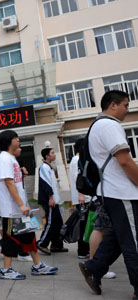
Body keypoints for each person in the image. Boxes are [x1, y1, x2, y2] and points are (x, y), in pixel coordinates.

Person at [78, 91, 138, 299]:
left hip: (111, 192)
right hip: (121, 192)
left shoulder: (98, 125)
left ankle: (94, 267)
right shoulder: (110, 125)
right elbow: (125, 161)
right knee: (133, 241)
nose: (127, 110)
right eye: (125, 105)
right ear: (113, 105)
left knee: (119, 236)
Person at [0, 130, 58, 280]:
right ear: (9, 141)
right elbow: (9, 183)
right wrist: (21, 205)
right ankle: (6, 270)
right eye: (16, 138)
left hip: (19, 208)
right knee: (10, 239)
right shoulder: (4, 159)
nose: (19, 141)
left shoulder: (11, 159)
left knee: (29, 236)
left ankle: (38, 265)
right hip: (11, 210)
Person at [36, 148, 67, 255]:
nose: (55, 155)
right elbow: (46, 183)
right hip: (49, 200)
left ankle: (56, 245)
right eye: (52, 153)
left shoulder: (49, 167)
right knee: (51, 223)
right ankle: (42, 243)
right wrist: (51, 198)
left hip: (54, 200)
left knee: (58, 223)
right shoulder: (44, 167)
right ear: (47, 156)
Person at [69, 138, 91, 259]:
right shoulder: (77, 160)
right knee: (84, 226)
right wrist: (81, 194)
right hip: (83, 199)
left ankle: (84, 249)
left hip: (82, 198)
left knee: (85, 225)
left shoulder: (74, 159)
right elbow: (78, 178)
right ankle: (83, 250)